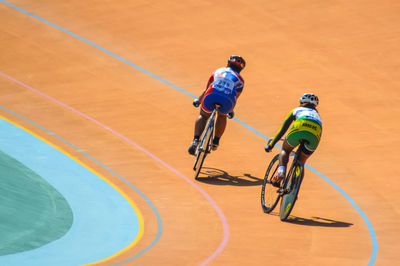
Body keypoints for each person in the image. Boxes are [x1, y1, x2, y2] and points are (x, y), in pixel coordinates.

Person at [188, 55, 246, 155]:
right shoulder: (240, 80)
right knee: (222, 115)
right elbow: (234, 98)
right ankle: (215, 142)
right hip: (227, 100)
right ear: (241, 68)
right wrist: (230, 112)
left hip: (211, 95)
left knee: (203, 115)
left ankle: (196, 140)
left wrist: (198, 100)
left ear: (228, 63)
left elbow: (207, 89)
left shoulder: (218, 71)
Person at [264, 93, 322, 186]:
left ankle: (281, 172)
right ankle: (294, 189)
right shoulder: (318, 115)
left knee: (285, 150)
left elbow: (283, 129)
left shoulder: (297, 110)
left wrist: (271, 144)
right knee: (302, 162)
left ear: (302, 102)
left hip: (299, 128)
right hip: (315, 135)